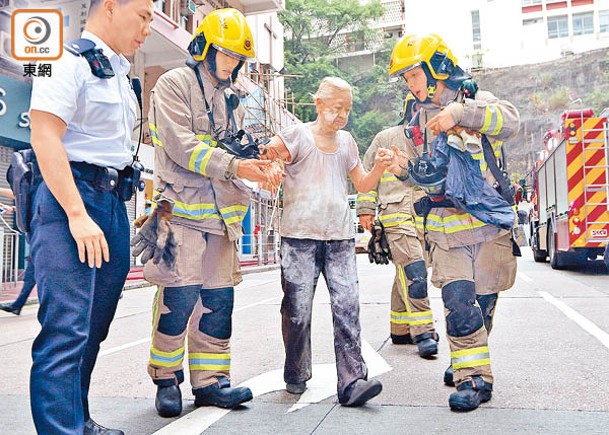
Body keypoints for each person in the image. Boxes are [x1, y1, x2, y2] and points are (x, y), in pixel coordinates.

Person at [142, 8, 280, 418]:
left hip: (221, 219)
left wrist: (262, 158)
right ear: (203, 46)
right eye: (225, 53)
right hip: (173, 213)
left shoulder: (231, 100)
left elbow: (235, 148)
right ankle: (166, 379)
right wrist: (236, 165)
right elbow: (182, 145)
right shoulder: (172, 85)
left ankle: (211, 381)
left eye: (237, 57)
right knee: (177, 297)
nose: (231, 63)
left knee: (218, 301)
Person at [27, 0, 153, 433]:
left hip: (113, 204)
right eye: (143, 15)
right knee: (65, 331)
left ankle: (77, 421)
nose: (148, 28)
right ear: (111, 8)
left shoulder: (118, 72)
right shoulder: (65, 59)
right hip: (72, 203)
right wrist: (77, 215)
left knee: (92, 329)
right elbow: (44, 133)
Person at [387, 34, 520, 411]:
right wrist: (404, 170)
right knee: (458, 302)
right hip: (447, 231)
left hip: (489, 226)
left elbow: (511, 121)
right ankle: (473, 378)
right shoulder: (417, 118)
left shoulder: (477, 101)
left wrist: (461, 115)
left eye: (413, 76)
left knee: (483, 304)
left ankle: (467, 359)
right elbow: (427, 175)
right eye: (407, 79)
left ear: (437, 69)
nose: (410, 86)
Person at [259, 76, 394, 407]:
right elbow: (269, 152)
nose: (342, 116)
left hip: (340, 238)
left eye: (347, 109)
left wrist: (377, 168)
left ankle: (352, 381)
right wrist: (273, 164)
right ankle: (296, 372)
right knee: (297, 311)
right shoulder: (298, 135)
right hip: (298, 239)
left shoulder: (347, 142)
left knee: (347, 307)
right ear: (318, 104)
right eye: (336, 108)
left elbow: (362, 184)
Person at [356, 118, 439, 358]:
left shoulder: (436, 136)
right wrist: (365, 208)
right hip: (396, 213)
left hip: (426, 216)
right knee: (414, 270)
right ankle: (424, 331)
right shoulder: (386, 137)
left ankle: (400, 328)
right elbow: (368, 173)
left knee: (407, 269)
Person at [0, 188, 35, 316]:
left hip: (43, 233)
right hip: (36, 232)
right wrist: (13, 208)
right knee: (33, 271)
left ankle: (18, 304)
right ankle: (17, 304)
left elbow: (20, 194)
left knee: (36, 269)